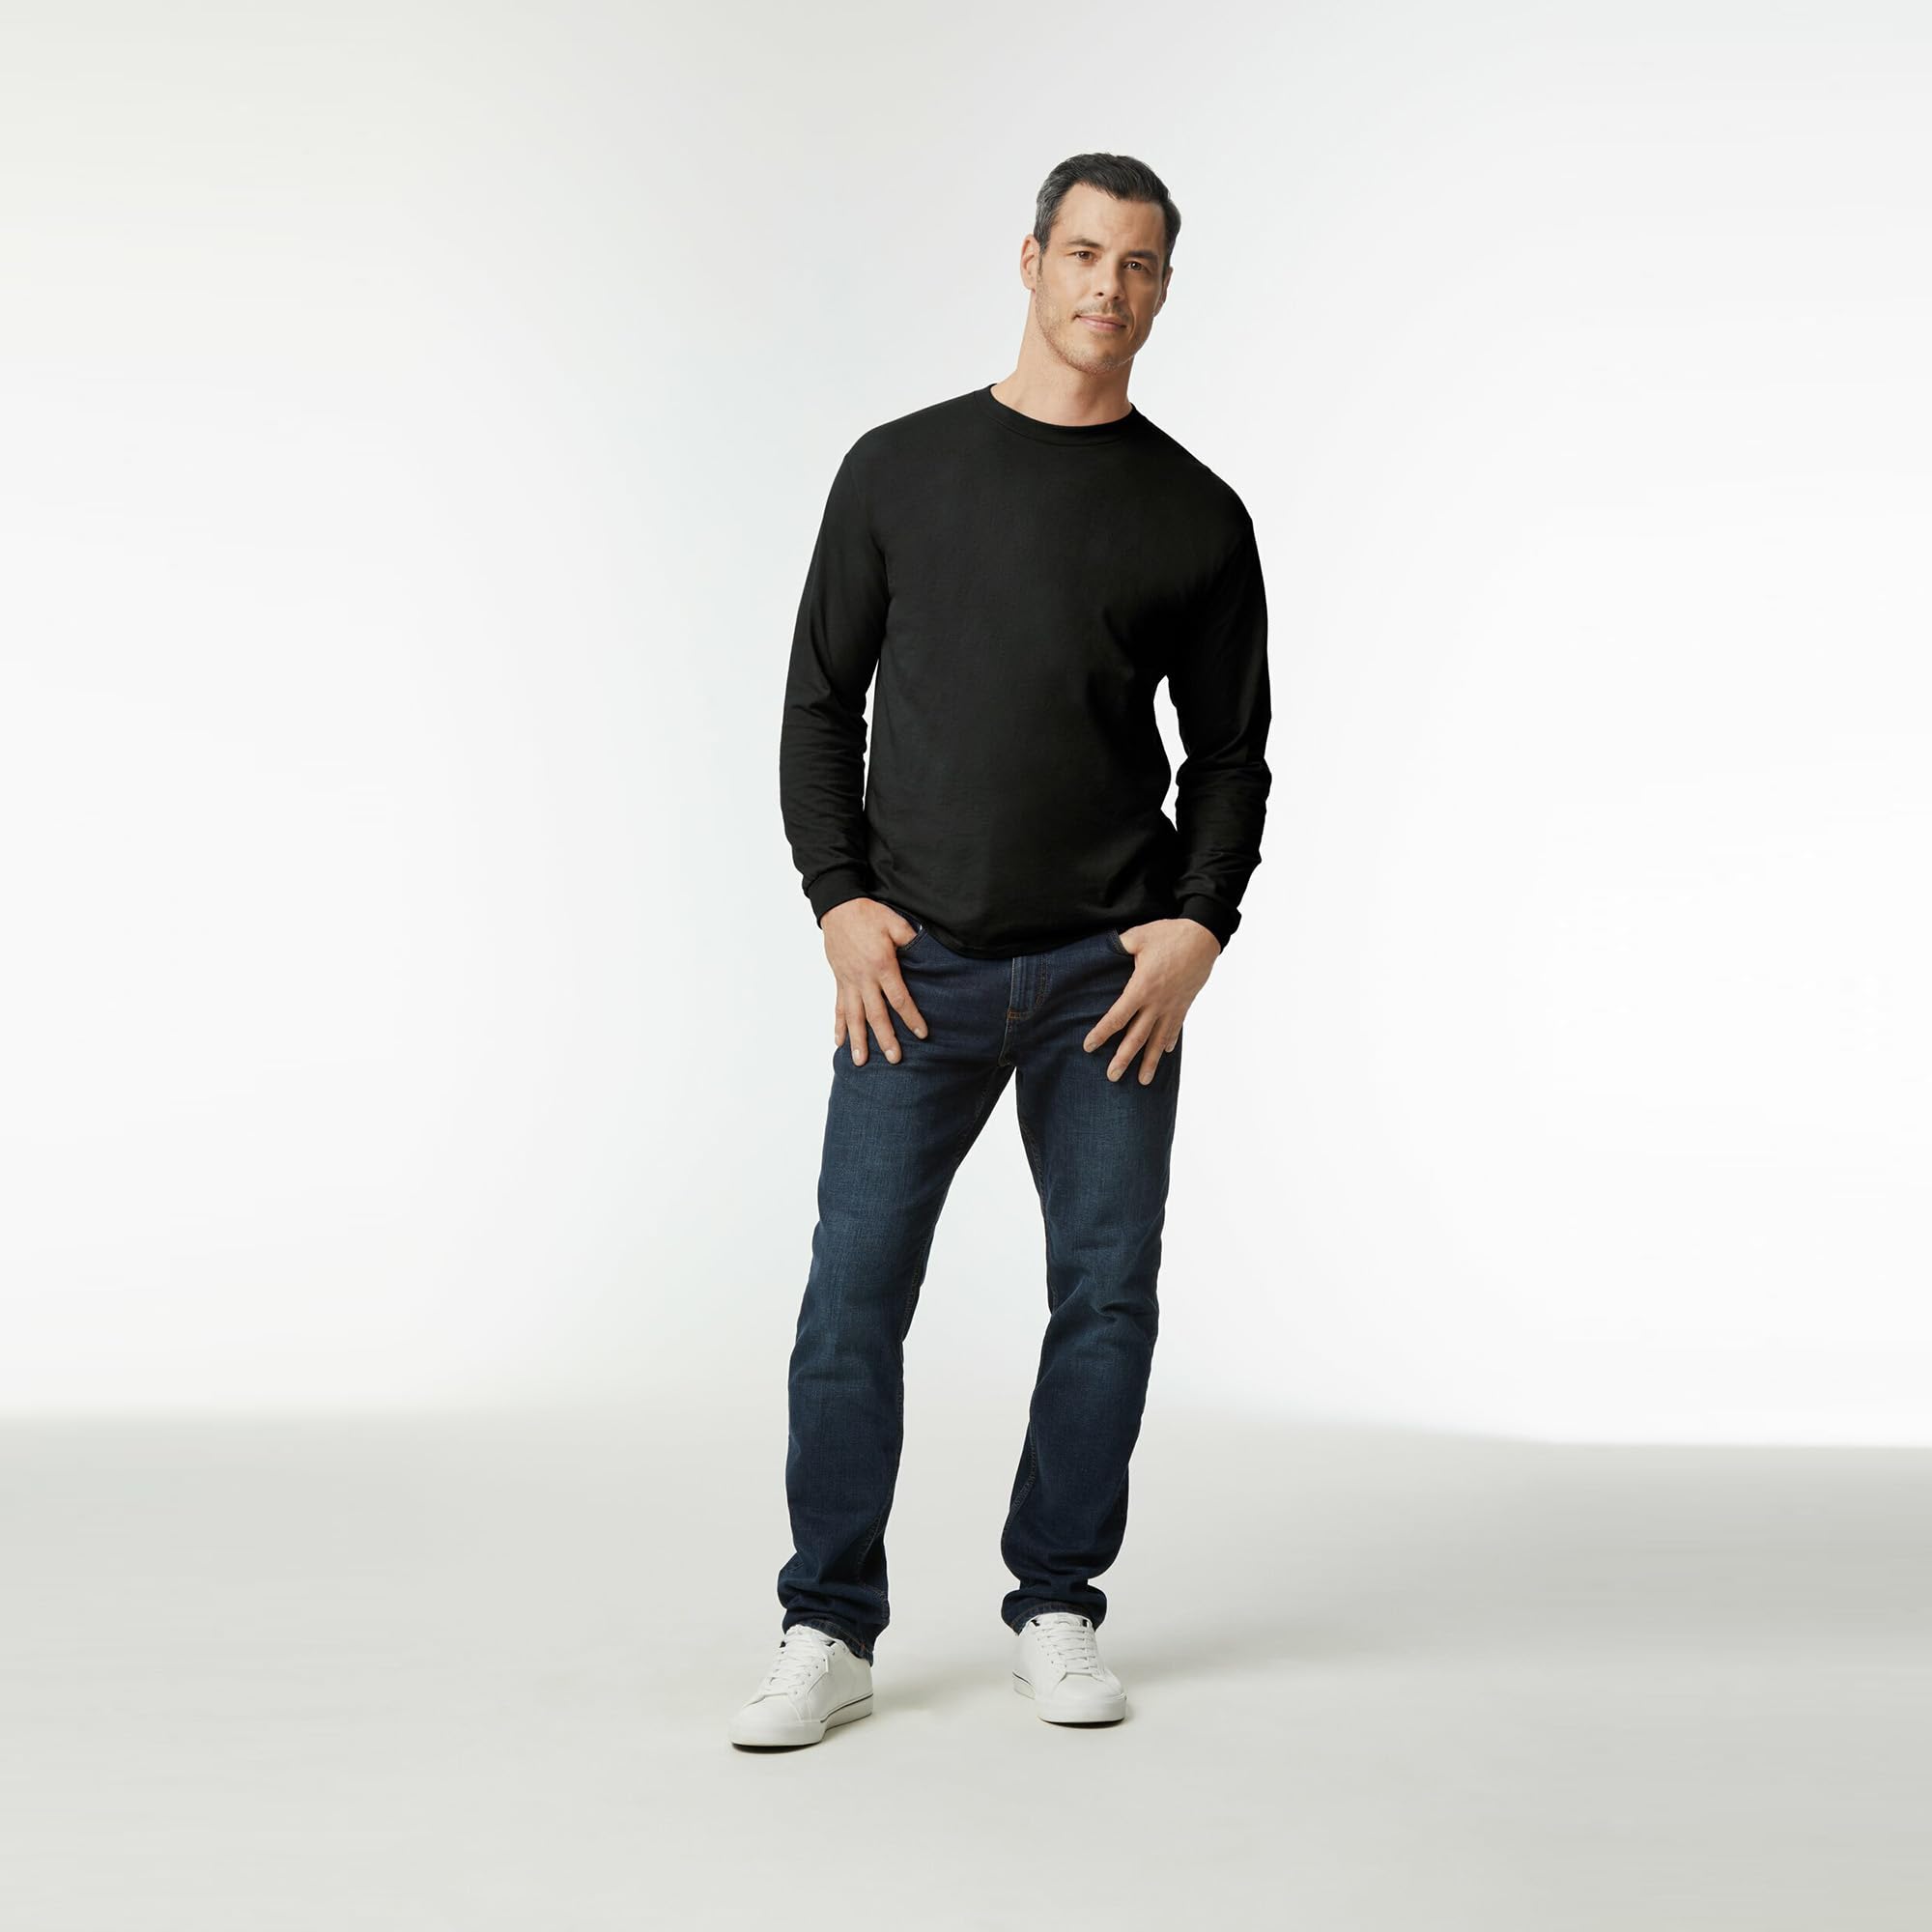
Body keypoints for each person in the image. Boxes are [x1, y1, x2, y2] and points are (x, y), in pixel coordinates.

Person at [729, 153, 1271, 1749]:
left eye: (1142, 265)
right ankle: (829, 1627)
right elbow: (820, 703)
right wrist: (839, 898)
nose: (1112, 287)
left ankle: (1057, 1605)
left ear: (1165, 289)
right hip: (918, 970)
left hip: (1110, 980)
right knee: (850, 1302)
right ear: (1032, 261)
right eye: (1087, 254)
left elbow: (1229, 755)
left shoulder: (1196, 513)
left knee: (1106, 1299)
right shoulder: (899, 470)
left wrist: (1197, 925)